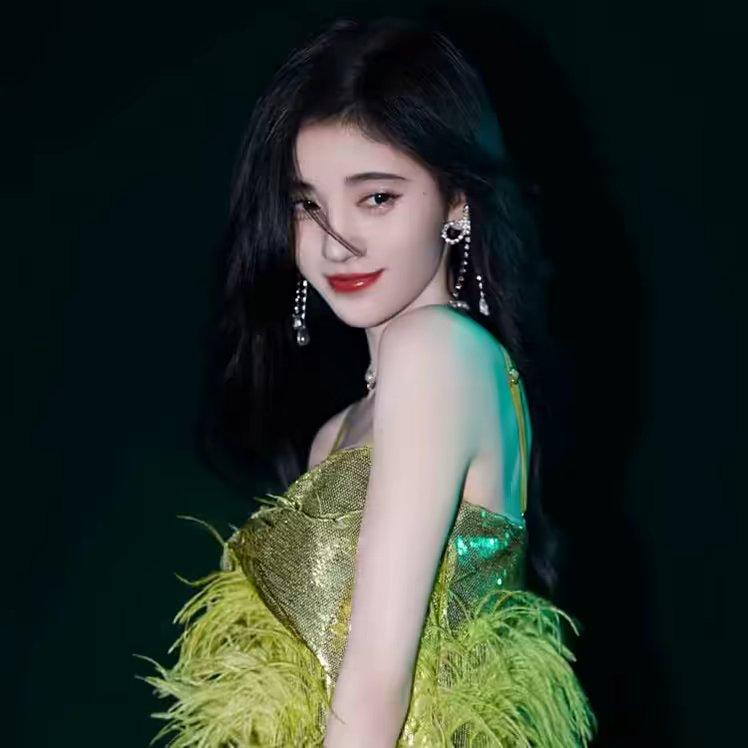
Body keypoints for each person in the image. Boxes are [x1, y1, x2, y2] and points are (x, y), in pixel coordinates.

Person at [138, 16, 597, 746]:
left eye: (376, 197)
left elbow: (376, 679)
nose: (336, 241)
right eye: (307, 204)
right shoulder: (339, 430)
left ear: (457, 199)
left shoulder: (437, 351)